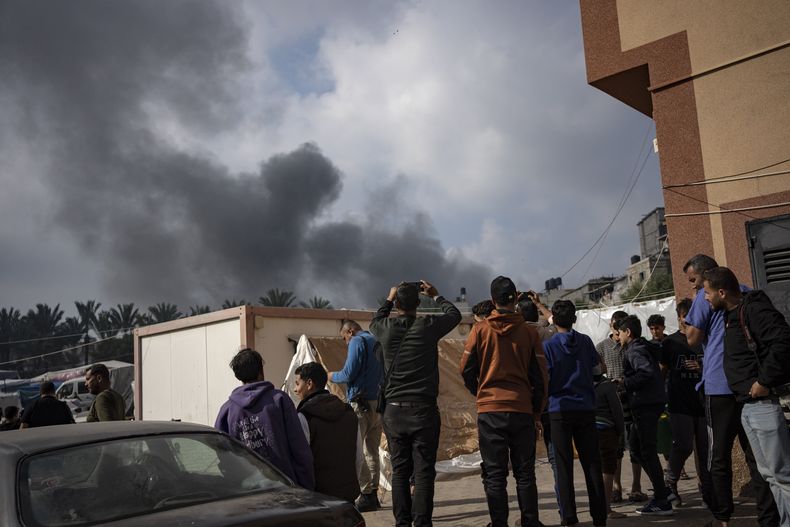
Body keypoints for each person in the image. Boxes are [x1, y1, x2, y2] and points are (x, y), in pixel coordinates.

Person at [683, 254, 778, 527]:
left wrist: (691, 316)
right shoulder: (746, 292)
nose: (695, 288)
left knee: (719, 457)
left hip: (718, 385)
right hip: (750, 385)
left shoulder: (705, 297)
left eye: (695, 281)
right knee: (757, 456)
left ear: (708, 277)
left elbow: (692, 338)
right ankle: (768, 518)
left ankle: (722, 518)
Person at [369, 280, 461, 527]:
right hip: (423, 410)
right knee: (423, 473)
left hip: (394, 412)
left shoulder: (384, 327)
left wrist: (388, 298)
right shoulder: (428, 326)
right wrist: (436, 295)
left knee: (400, 470)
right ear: (419, 303)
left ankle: (402, 522)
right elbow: (454, 315)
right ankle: (422, 522)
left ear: (397, 304)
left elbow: (374, 321)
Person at [704, 266, 790, 523]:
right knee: (770, 475)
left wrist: (764, 381)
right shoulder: (731, 315)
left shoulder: (753, 309)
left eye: (707, 292)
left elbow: (784, 341)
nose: (705, 298)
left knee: (782, 474)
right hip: (748, 406)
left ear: (721, 292)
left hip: (762, 403)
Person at [460, 276, 548, 527]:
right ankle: (530, 522)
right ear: (516, 298)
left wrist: (480, 392)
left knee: (495, 475)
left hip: (490, 411)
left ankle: (499, 523)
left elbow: (465, 369)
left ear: (492, 300)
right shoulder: (529, 333)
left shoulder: (480, 330)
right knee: (524, 473)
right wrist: (537, 412)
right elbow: (541, 377)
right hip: (521, 410)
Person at [542, 299, 608, 527]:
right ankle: (600, 516)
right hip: (586, 408)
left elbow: (545, 379)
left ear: (553, 319)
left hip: (559, 409)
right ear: (575, 318)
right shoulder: (585, 341)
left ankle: (569, 516)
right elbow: (599, 368)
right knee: (592, 463)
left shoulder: (549, 346)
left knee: (563, 465)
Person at [215, 348, 315, 490]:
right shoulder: (279, 400)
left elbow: (222, 455)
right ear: (261, 371)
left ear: (238, 376)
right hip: (285, 488)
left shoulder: (227, 410)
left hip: (246, 491)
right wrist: (307, 486)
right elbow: (299, 449)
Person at [616, 315, 673, 515]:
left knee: (646, 451)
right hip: (650, 403)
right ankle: (663, 490)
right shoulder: (643, 347)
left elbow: (646, 372)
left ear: (628, 333)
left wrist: (625, 383)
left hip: (645, 405)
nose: (618, 336)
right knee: (637, 449)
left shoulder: (635, 350)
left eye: (620, 332)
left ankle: (662, 500)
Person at [659, 298, 711, 507]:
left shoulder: (704, 339)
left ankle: (707, 490)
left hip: (702, 401)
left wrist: (701, 369)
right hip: (679, 402)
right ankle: (671, 482)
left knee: (705, 448)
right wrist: (660, 400)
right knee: (683, 445)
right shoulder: (670, 342)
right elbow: (661, 371)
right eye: (684, 317)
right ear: (679, 317)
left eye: (692, 317)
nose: (688, 321)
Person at [329, 320, 384, 511]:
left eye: (344, 338)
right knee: (372, 450)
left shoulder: (357, 341)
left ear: (350, 332)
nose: (345, 342)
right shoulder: (376, 340)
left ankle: (366, 493)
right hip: (378, 404)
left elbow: (348, 374)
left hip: (361, 405)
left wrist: (330, 375)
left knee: (356, 451)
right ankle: (374, 494)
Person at [294, 361, 361, 503]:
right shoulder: (349, 413)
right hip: (347, 497)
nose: (295, 389)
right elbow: (359, 457)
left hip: (319, 499)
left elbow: (303, 463)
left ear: (309, 384)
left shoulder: (305, 417)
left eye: (297, 383)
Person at [595, 310, 642, 504]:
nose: (617, 330)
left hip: (632, 399)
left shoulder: (632, 346)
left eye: (620, 326)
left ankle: (636, 486)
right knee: (615, 447)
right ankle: (616, 487)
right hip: (611, 403)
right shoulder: (601, 347)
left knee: (635, 444)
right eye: (615, 325)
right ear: (610, 325)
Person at [593, 364, 626, 520]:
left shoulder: (582, 384)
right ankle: (606, 509)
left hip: (587, 431)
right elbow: (617, 411)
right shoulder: (607, 386)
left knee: (594, 469)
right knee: (607, 469)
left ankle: (596, 506)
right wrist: (620, 432)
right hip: (606, 431)